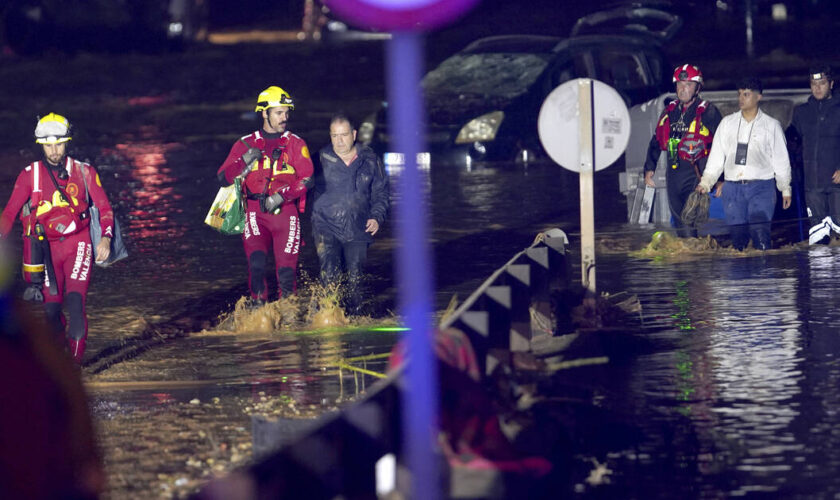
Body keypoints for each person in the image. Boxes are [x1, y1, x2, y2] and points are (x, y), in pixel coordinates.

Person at [0, 113, 115, 364]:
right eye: (49, 145)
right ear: (41, 145)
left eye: (59, 144)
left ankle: (74, 368)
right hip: (45, 250)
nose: (54, 150)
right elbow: (9, 213)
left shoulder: (85, 172)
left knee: (75, 304)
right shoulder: (29, 175)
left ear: (67, 142)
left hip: (79, 243)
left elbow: (105, 209)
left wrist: (105, 238)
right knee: (51, 311)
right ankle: (59, 357)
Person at [217, 86, 314, 305]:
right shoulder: (245, 143)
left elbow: (308, 179)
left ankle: (289, 319)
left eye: (286, 113)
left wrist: (282, 196)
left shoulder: (296, 143)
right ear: (264, 112)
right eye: (279, 113)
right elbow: (222, 178)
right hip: (253, 213)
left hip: (286, 214)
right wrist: (243, 162)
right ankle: (259, 319)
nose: (284, 118)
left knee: (286, 274)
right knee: (257, 267)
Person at [697, 77, 792, 250]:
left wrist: (785, 188)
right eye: (740, 94)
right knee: (738, 239)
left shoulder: (771, 126)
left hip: (762, 187)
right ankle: (742, 275)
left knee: (760, 233)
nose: (741, 98)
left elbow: (781, 159)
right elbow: (716, 157)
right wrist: (706, 182)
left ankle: (764, 273)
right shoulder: (727, 124)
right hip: (732, 189)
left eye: (746, 94)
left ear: (758, 97)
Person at [311, 114, 389, 314]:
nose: (339, 140)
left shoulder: (370, 159)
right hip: (325, 226)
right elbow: (297, 184)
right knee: (330, 274)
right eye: (334, 135)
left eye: (344, 135)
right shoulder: (319, 159)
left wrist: (377, 217)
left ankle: (356, 319)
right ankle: (328, 317)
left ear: (354, 134)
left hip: (358, 227)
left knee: (355, 277)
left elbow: (380, 192)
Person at [644, 64, 723, 236]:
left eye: (688, 84)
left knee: (689, 224)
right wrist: (649, 168)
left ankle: (695, 259)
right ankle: (690, 258)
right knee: (680, 225)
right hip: (674, 174)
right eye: (680, 84)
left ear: (697, 87)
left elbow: (723, 144)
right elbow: (657, 140)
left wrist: (720, 178)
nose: (683, 89)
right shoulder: (669, 111)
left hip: (696, 174)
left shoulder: (708, 111)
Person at [788, 65, 840, 244]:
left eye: (822, 83)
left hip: (836, 185)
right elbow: (790, 141)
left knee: (838, 235)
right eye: (813, 83)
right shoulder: (802, 112)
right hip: (812, 185)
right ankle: (821, 273)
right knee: (818, 240)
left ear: (831, 84)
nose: (817, 88)